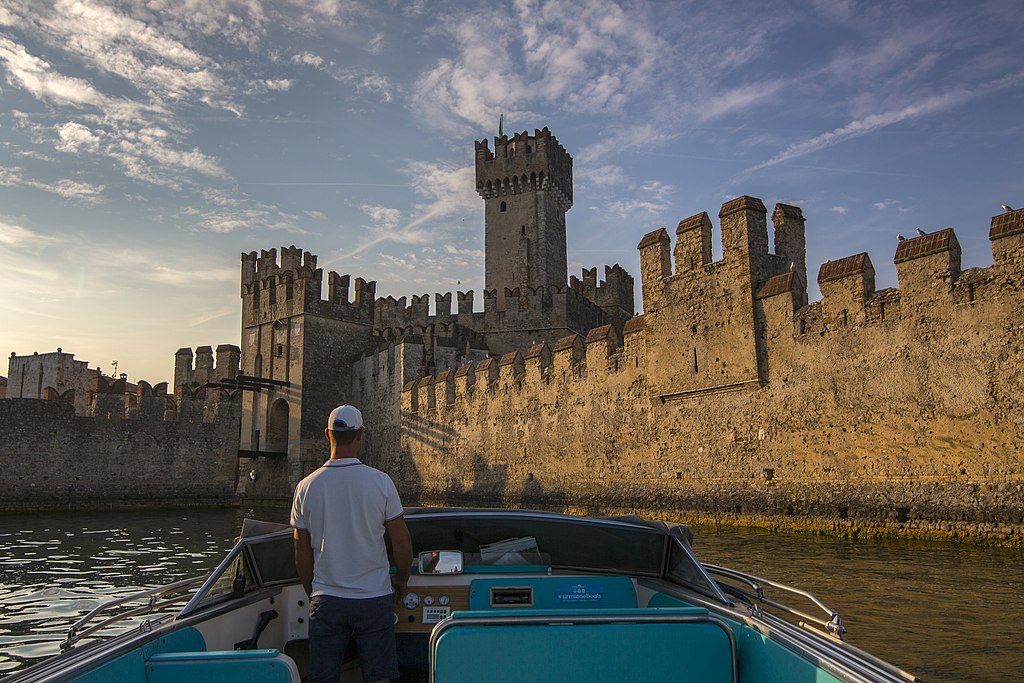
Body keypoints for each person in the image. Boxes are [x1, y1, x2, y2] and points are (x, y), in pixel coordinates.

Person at [291, 404, 413, 683]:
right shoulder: (381, 483)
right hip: (373, 597)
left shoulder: (306, 487)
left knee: (323, 676)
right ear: (360, 435)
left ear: (327, 435)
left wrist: (314, 591)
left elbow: (301, 549)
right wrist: (402, 579)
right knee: (379, 676)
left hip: (327, 599)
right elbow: (401, 542)